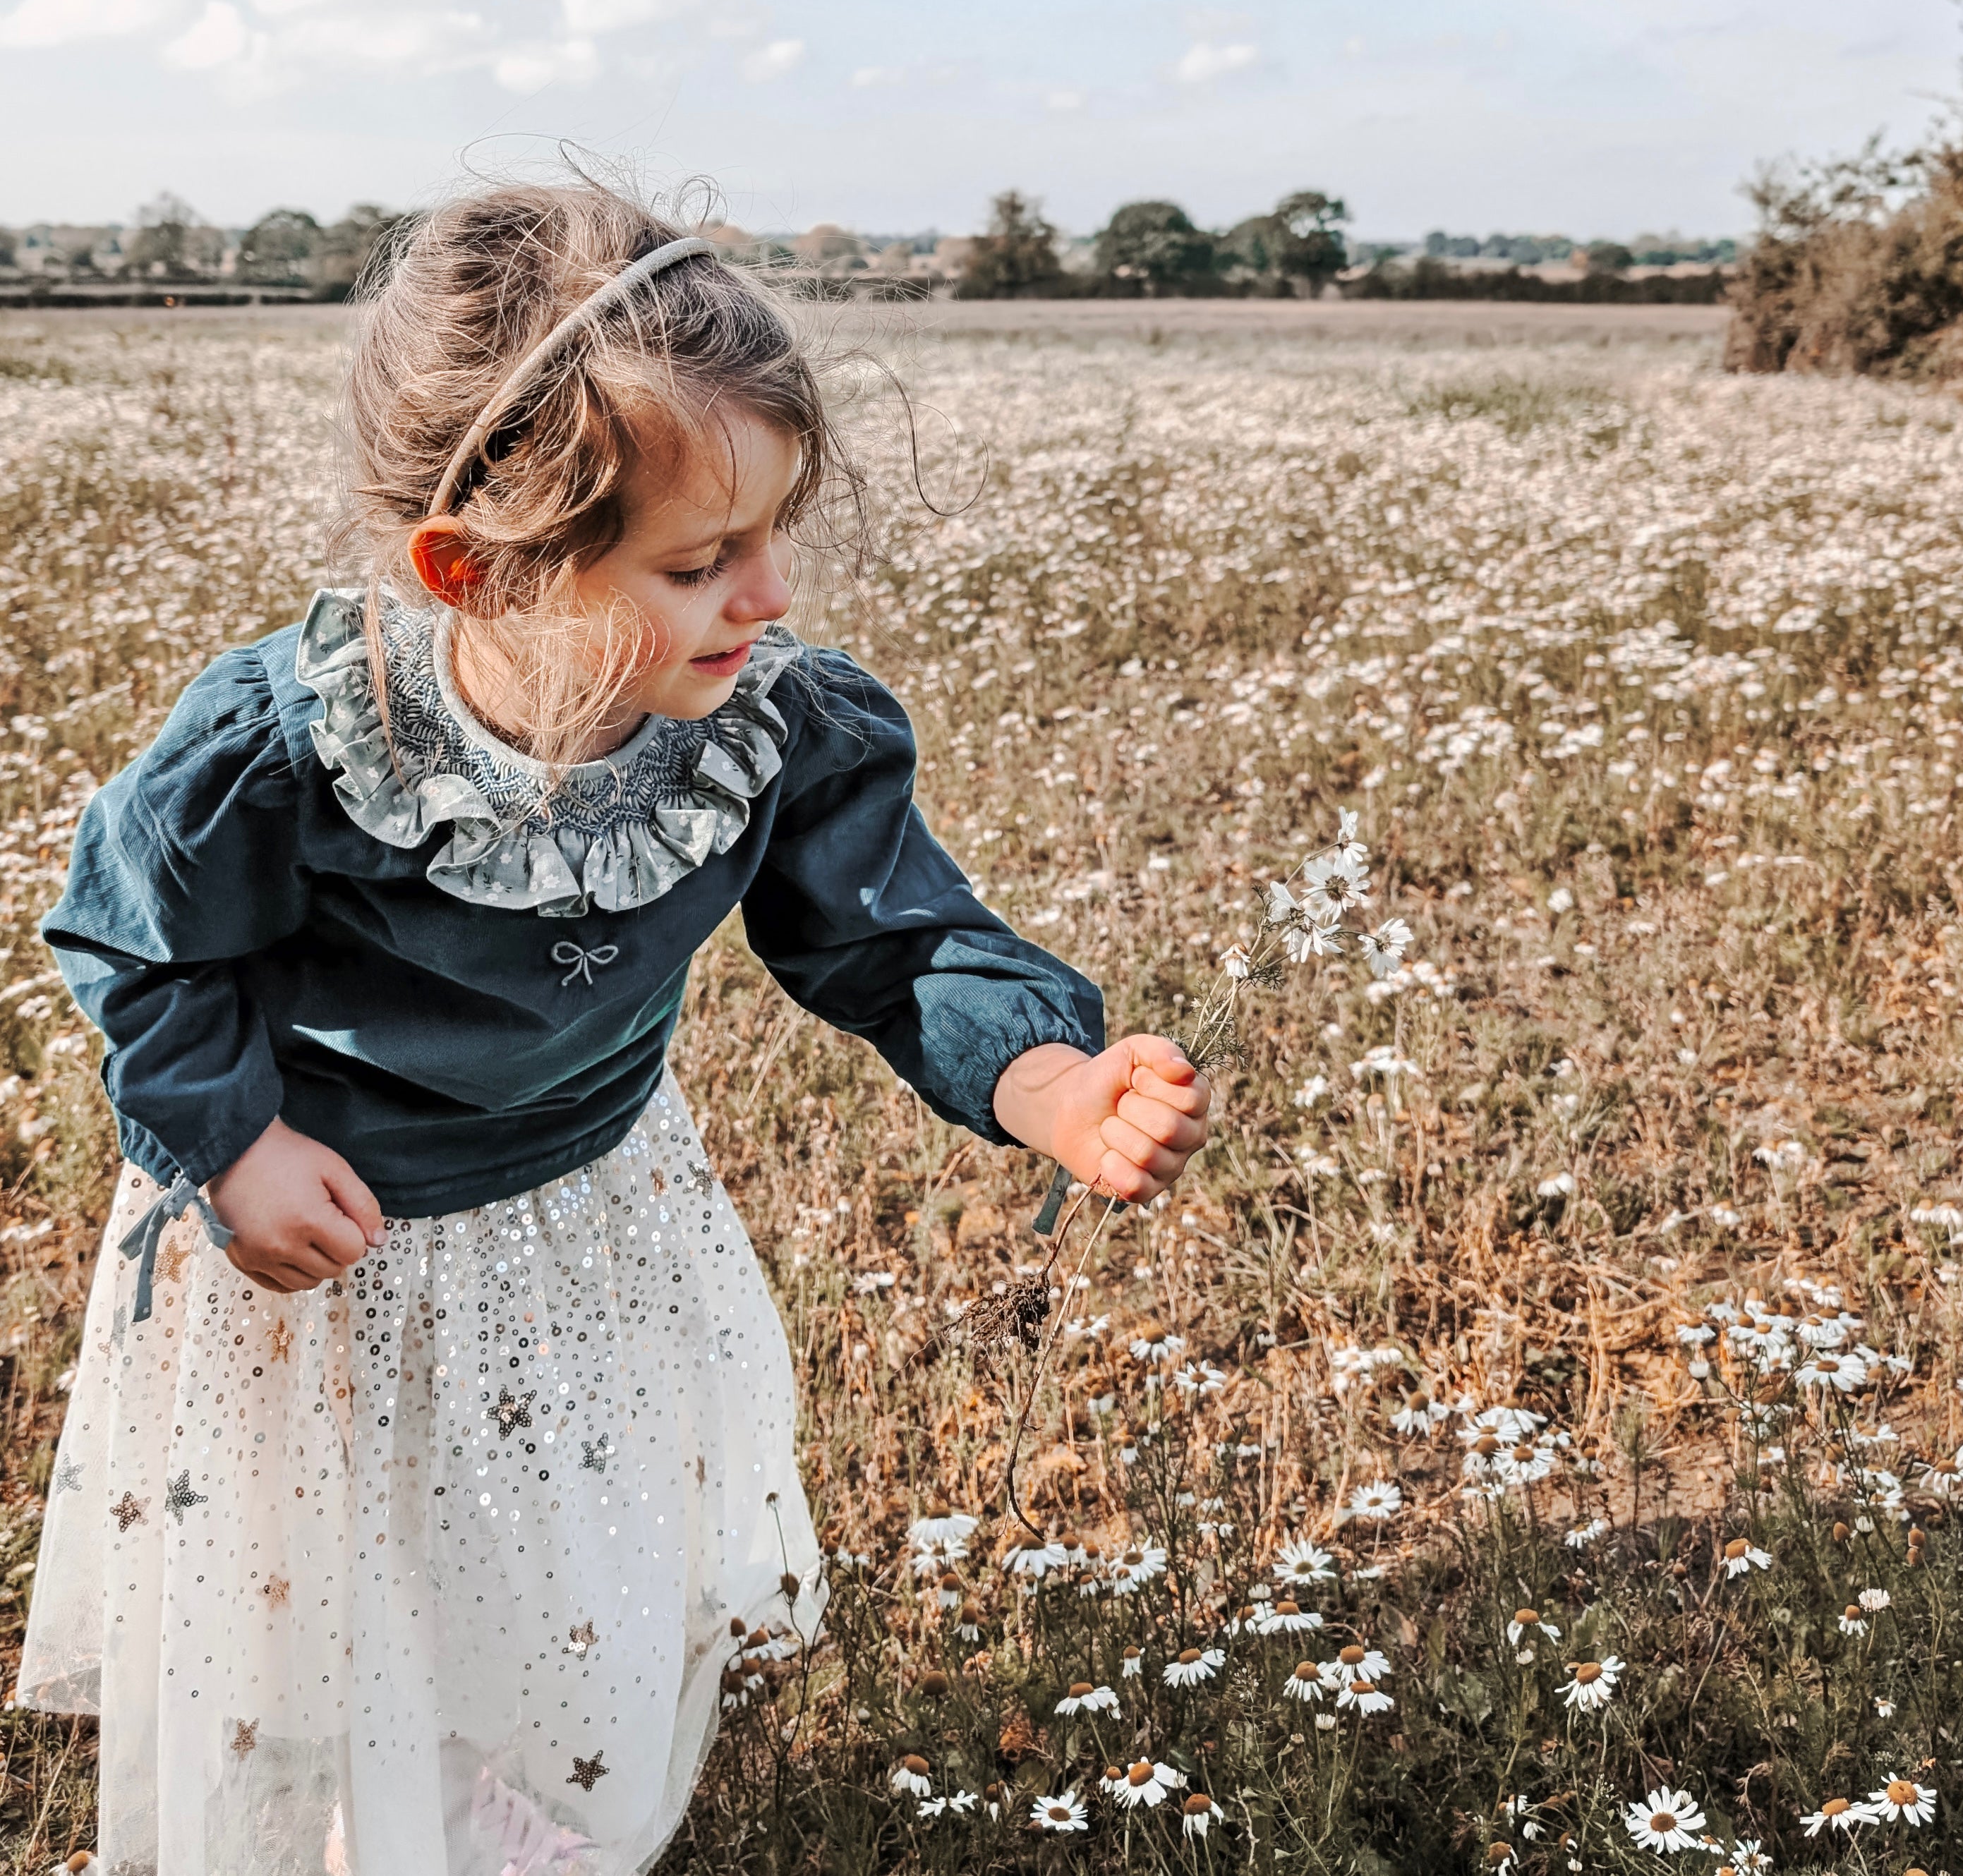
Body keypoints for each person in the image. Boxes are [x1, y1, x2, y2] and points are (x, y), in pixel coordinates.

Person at [16, 183, 1212, 1876]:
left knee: (559, 1563)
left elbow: (897, 937)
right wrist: (227, 1139)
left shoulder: (767, 729)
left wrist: (1046, 1075)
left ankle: (489, 1804)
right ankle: (370, 1817)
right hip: (321, 1247)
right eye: (697, 558)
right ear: (473, 569)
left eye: (772, 533)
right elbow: (137, 944)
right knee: (335, 1582)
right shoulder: (291, 742)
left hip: (585, 1228)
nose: (764, 594)